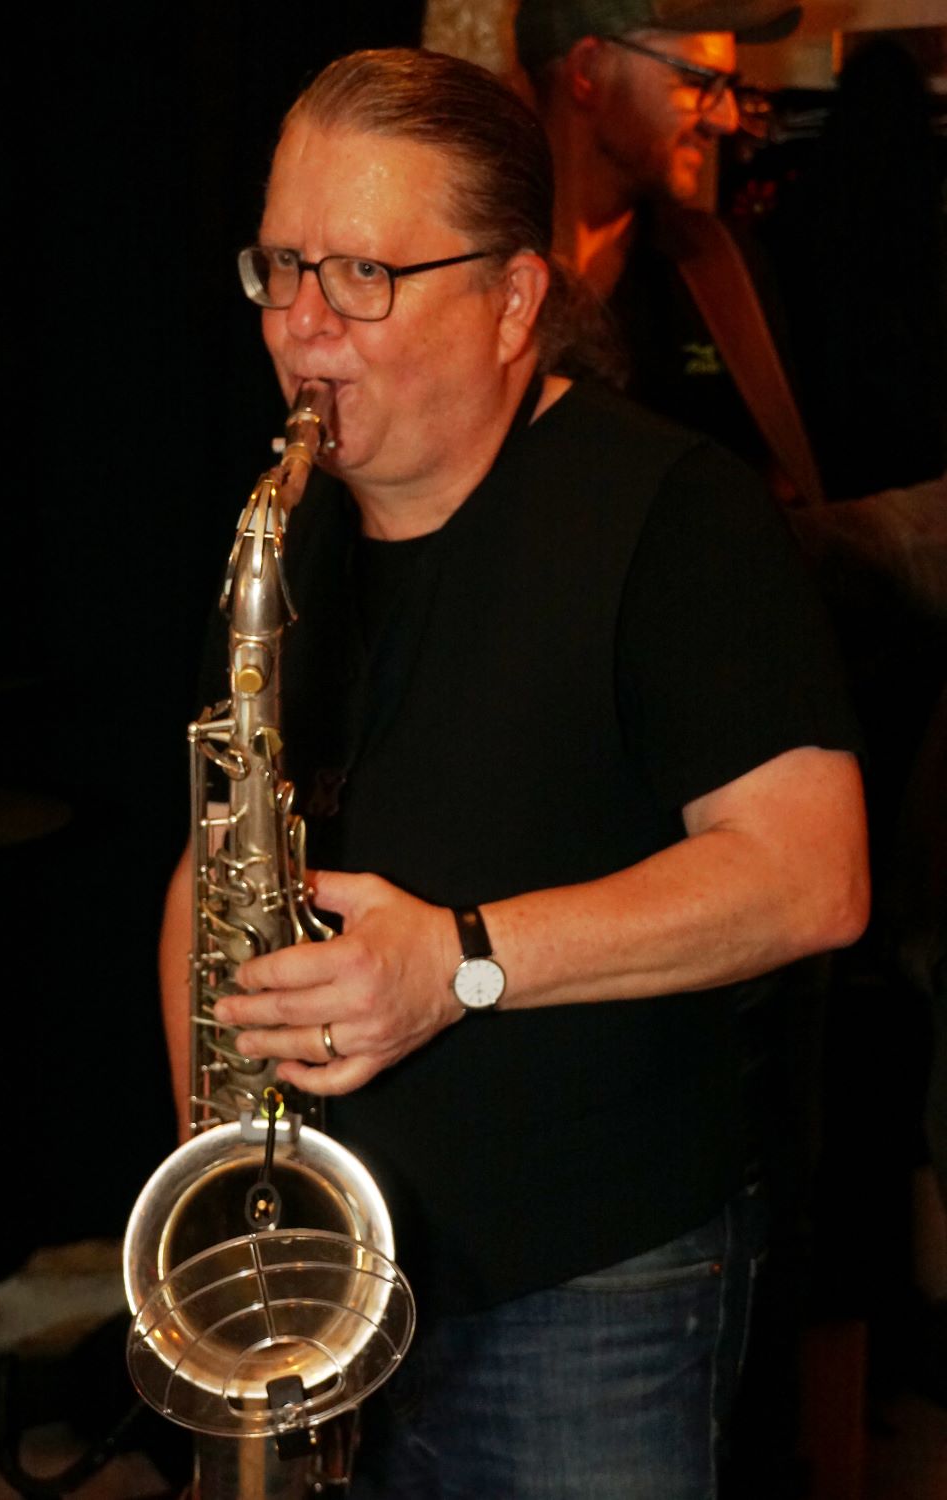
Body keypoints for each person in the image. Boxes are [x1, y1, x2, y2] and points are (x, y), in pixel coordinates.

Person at [159, 47, 868, 1499]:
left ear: (512, 301)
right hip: (324, 1274)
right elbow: (212, 864)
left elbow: (814, 873)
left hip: (590, 1286)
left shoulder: (673, 516)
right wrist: (218, 1189)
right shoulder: (289, 535)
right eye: (281, 267)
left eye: (363, 274)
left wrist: (458, 962)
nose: (302, 326)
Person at [513, 0, 809, 482]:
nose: (726, 119)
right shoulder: (464, 260)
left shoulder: (720, 269)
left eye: (729, 88)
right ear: (588, 70)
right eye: (697, 81)